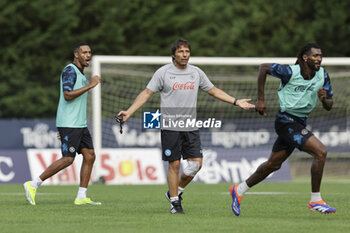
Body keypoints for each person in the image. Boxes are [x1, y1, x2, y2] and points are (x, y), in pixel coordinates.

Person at [116, 38, 255, 214]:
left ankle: (177, 190)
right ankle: (175, 203)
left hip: (190, 126)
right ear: (173, 54)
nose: (184, 55)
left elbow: (213, 90)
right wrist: (129, 112)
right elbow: (146, 93)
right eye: (181, 52)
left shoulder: (196, 72)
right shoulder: (163, 73)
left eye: (187, 52)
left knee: (196, 164)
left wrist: (236, 101)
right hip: (170, 126)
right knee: (174, 165)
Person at [230, 43, 336, 216]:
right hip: (286, 121)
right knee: (321, 152)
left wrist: (324, 99)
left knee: (273, 164)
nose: (318, 59)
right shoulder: (289, 72)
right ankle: (315, 200)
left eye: (320, 56)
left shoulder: (322, 74)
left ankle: (238, 189)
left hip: (300, 122)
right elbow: (263, 68)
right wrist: (261, 100)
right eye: (315, 55)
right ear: (304, 57)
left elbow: (329, 105)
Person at [24, 42, 102, 205]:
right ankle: (33, 184)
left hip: (79, 124)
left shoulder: (80, 74)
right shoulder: (69, 71)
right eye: (84, 52)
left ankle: (81, 196)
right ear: (76, 55)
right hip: (69, 123)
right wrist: (91, 85)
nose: (88, 55)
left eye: (89, 52)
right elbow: (67, 95)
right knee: (68, 159)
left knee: (90, 156)